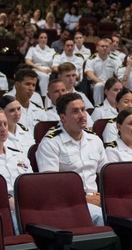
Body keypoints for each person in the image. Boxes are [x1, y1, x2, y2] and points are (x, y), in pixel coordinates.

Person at [36, 92, 108, 225]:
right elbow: (50, 185)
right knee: (104, 218)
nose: (82, 115)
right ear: (63, 118)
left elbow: (107, 175)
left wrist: (105, 198)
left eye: (83, 110)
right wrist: (84, 199)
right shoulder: (50, 143)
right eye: (75, 111)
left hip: (96, 199)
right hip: (69, 203)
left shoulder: (95, 140)